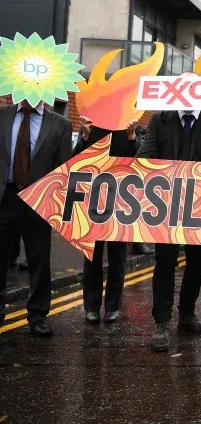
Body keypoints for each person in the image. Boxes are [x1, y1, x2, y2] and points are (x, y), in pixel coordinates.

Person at [137, 100, 201, 352]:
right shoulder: (159, 119)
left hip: (200, 205)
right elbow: (144, 158)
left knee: (197, 260)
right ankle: (161, 323)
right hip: (166, 206)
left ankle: (188, 315)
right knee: (165, 261)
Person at [0, 100, 72, 336]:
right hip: (5, 197)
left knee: (39, 259)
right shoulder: (3, 115)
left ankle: (38, 315)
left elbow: (64, 167)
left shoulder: (60, 124)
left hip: (39, 199)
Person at [75, 117, 138, 324]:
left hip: (120, 201)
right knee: (92, 257)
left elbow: (139, 164)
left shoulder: (129, 127)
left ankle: (113, 307)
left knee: (117, 257)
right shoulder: (91, 126)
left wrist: (131, 138)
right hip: (93, 200)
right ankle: (91, 307)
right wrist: (84, 137)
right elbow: (75, 162)